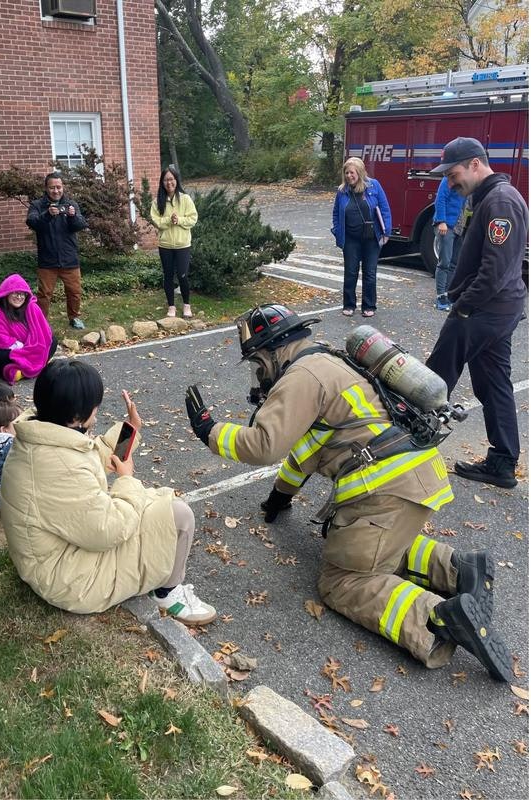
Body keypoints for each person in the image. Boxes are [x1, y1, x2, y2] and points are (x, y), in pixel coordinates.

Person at [184, 302, 514, 682]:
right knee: (371, 544)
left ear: (273, 351)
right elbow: (307, 451)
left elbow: (263, 445)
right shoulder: (330, 362)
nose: (260, 377)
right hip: (416, 477)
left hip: (387, 491)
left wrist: (209, 430)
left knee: (343, 580)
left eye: (259, 365)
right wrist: (280, 496)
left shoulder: (301, 376)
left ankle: (436, 620)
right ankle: (460, 568)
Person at [0, 359, 216, 624]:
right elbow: (107, 530)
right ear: (76, 417)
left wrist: (130, 430)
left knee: (156, 502)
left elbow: (92, 456)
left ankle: (165, 583)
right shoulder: (59, 464)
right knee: (179, 516)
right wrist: (127, 480)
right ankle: (168, 592)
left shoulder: (41, 435)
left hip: (55, 557)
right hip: (73, 580)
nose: (97, 412)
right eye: (95, 407)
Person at [426, 137, 527, 489]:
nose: (450, 183)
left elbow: (494, 271)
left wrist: (464, 306)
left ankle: (405, 447)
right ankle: (502, 463)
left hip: (485, 309)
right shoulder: (488, 198)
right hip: (498, 309)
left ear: (474, 164)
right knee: (493, 383)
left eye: (453, 174)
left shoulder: (500, 201)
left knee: (434, 377)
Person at [26, 172, 88, 329]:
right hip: (48, 260)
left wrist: (73, 216)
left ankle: (74, 317)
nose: (56, 191)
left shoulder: (71, 204)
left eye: (58, 187)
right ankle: (41, 323)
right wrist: (48, 214)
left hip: (70, 258)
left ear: (63, 187)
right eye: (52, 187)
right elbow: (32, 222)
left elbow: (81, 224)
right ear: (46, 188)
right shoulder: (37, 205)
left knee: (74, 292)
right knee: (44, 294)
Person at [331, 157, 391, 318]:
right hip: (350, 239)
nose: (349, 175)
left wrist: (386, 232)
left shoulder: (374, 186)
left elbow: (385, 209)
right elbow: (336, 213)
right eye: (347, 172)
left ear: (360, 172)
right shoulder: (342, 191)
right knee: (350, 272)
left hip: (371, 238)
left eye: (352, 172)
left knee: (370, 273)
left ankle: (369, 305)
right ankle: (349, 304)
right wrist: (337, 232)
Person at [0, 274, 56, 385]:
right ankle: (35, 366)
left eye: (23, 294)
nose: (19, 297)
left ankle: (24, 370)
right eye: (16, 293)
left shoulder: (32, 307)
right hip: (4, 350)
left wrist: (32, 346)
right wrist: (25, 349)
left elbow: (44, 331)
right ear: (7, 293)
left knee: (52, 341)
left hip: (28, 348)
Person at [150, 166, 198, 319]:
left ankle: (186, 305)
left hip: (183, 245)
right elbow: (156, 221)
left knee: (183, 275)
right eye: (165, 180)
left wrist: (180, 220)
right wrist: (169, 221)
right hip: (165, 246)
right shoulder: (157, 202)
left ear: (176, 180)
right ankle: (171, 306)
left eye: (171, 179)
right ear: (162, 182)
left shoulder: (185, 199)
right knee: (168, 276)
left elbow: (193, 218)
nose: (169, 182)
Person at [432, 176, 466, 311]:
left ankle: (448, 294)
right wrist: (441, 221)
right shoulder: (448, 179)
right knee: (444, 262)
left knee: (454, 263)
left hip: (459, 226)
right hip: (447, 225)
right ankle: (441, 296)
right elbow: (440, 199)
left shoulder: (465, 180)